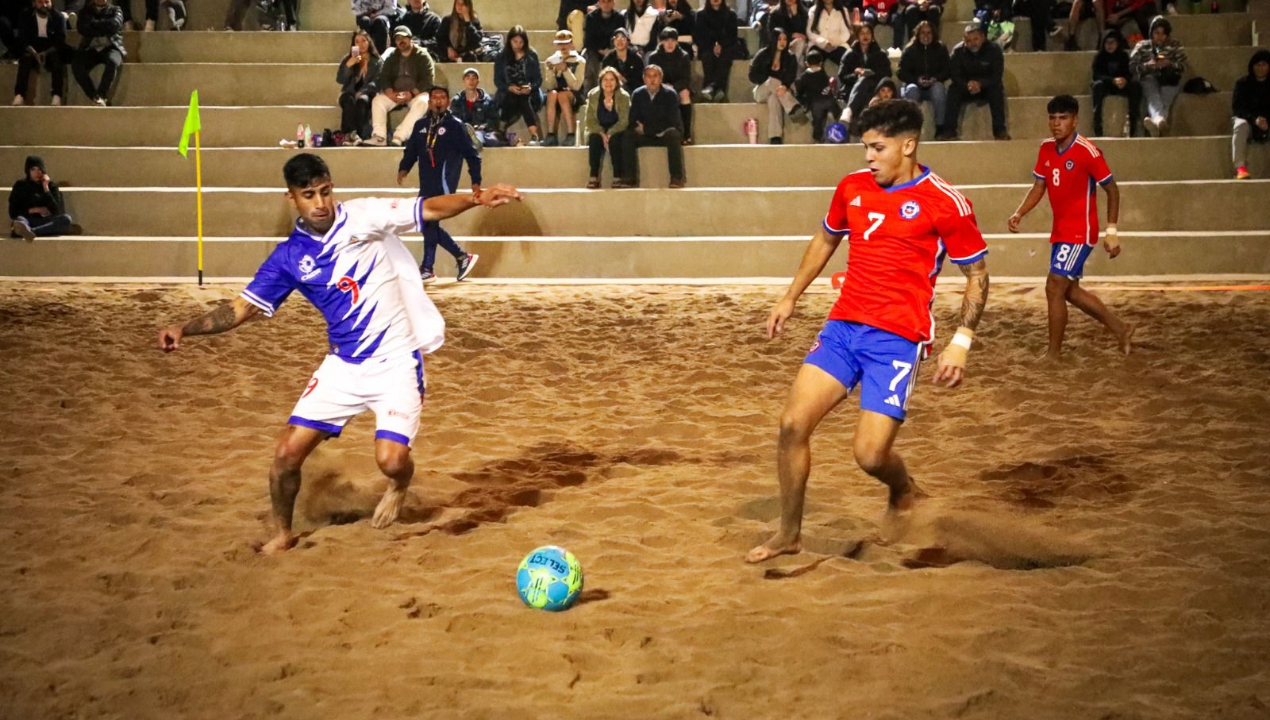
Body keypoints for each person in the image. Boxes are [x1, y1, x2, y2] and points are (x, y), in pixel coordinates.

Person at [156, 154, 519, 555]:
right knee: (286, 455)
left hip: (396, 362)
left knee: (392, 462)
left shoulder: (363, 217)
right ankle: (283, 533)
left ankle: (399, 486)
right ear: (291, 198)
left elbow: (428, 208)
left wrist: (477, 198)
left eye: (325, 191)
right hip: (343, 368)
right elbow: (241, 308)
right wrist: (183, 328)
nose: (320, 203)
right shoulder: (288, 258)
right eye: (308, 195)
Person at [746, 98, 990, 564]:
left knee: (870, 456)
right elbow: (826, 239)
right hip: (843, 327)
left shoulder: (945, 201)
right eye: (865, 148)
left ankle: (904, 490)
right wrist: (790, 296)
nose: (868, 157)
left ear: (908, 145)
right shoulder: (852, 188)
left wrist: (961, 343)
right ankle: (788, 534)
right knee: (792, 425)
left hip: (896, 339)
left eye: (877, 148)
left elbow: (978, 275)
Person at [1008, 95, 1132, 359]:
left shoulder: (1088, 151)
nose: (1056, 123)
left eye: (1063, 118)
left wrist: (1111, 231)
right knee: (1070, 291)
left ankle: (1053, 354)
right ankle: (1121, 329)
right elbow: (1039, 186)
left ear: (1075, 120)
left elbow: (1112, 189)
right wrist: (1021, 212)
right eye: (1052, 118)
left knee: (1054, 286)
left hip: (1080, 230)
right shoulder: (1046, 149)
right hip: (1061, 230)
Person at [398, 84, 482, 283]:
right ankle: (459, 257)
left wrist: (475, 181)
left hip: (444, 181)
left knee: (428, 220)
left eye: (442, 97)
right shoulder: (420, 126)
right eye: (434, 97)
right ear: (429, 102)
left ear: (448, 101)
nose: (438, 100)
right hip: (426, 181)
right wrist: (404, 167)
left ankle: (429, 267)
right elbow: (411, 151)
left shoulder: (455, 126)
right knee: (426, 221)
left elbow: (472, 155)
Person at [939, 21, 1008, 141]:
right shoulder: (957, 51)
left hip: (986, 87)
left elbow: (996, 75)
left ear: (983, 37)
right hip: (965, 87)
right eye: (969, 41)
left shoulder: (994, 50)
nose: (972, 43)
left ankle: (999, 131)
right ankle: (949, 131)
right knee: (953, 90)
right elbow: (954, 75)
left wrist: (980, 84)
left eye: (975, 39)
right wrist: (967, 85)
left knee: (997, 90)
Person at [367, 26, 435, 146]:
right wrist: (390, 93)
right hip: (395, 93)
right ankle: (379, 137)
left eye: (404, 38)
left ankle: (399, 136)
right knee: (378, 101)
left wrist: (412, 93)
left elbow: (428, 79)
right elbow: (384, 77)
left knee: (424, 102)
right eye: (398, 38)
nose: (401, 41)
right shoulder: (392, 56)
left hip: (415, 94)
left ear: (410, 39)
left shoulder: (422, 56)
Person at [623, 64, 687, 187]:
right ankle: (629, 178)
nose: (652, 79)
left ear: (661, 78)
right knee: (628, 136)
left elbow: (671, 121)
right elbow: (633, 120)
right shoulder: (637, 94)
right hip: (647, 135)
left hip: (663, 135)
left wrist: (647, 128)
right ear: (644, 79)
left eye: (655, 76)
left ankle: (676, 178)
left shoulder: (670, 94)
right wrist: (649, 129)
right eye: (649, 76)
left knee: (673, 135)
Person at [1130, 16, 1185, 137]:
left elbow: (1182, 65)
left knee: (1166, 95)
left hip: (1169, 79)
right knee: (1152, 93)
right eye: (1157, 33)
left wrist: (1169, 64)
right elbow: (1131, 67)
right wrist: (1147, 66)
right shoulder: (1142, 46)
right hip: (1149, 77)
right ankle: (1160, 120)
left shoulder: (1175, 45)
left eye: (1163, 33)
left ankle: (1157, 122)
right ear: (1151, 33)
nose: (1160, 36)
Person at [492, 25, 544, 145]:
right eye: (515, 41)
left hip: (529, 92)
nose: (518, 45)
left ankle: (501, 129)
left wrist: (530, 87)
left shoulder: (531, 55)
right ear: (509, 40)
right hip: (508, 91)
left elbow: (538, 78)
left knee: (523, 99)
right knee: (512, 97)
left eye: (521, 42)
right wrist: (509, 87)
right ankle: (534, 134)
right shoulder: (501, 56)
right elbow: (498, 80)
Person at [9, 155, 82, 241]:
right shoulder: (20, 185)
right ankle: (24, 230)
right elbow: (13, 212)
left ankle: (28, 232)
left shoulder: (51, 186)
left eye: (39, 169)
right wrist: (34, 210)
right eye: (33, 169)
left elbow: (58, 211)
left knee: (66, 219)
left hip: (46, 222)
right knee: (19, 220)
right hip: (27, 220)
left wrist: (46, 188)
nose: (37, 173)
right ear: (28, 171)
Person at [749, 26, 801, 144]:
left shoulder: (790, 57)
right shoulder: (762, 54)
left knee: (773, 99)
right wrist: (768, 80)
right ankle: (793, 106)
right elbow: (752, 76)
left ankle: (775, 137)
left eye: (785, 39)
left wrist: (785, 86)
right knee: (772, 81)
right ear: (773, 40)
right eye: (779, 39)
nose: (783, 42)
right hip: (761, 91)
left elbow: (791, 75)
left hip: (779, 93)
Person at [837, 23, 891, 133]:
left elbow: (887, 73)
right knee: (862, 82)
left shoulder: (880, 54)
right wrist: (856, 74)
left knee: (866, 82)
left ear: (872, 35)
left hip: (873, 87)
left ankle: (849, 112)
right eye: (862, 33)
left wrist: (872, 73)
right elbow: (842, 76)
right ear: (857, 36)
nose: (865, 36)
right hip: (851, 89)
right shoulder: (849, 54)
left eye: (868, 33)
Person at [12, 0, 68, 107]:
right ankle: (19, 94)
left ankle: (57, 95)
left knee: (57, 60)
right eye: (40, 2)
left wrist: (45, 53)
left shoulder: (58, 17)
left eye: (47, 2)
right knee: (25, 59)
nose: (44, 5)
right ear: (34, 3)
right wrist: (34, 52)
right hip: (32, 48)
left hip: (50, 49)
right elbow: (22, 38)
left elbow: (60, 40)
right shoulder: (25, 15)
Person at [583, 66, 631, 187]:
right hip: (598, 129)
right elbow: (589, 120)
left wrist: (610, 133)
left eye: (612, 80)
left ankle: (617, 176)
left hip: (617, 128)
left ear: (616, 82)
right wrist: (601, 133)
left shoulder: (623, 96)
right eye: (605, 79)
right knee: (594, 139)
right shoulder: (593, 95)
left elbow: (624, 120)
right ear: (600, 81)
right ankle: (593, 176)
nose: (608, 83)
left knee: (615, 141)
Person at [898, 20, 949, 135]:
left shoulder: (941, 49)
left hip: (933, 84)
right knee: (911, 90)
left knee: (939, 89)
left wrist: (935, 79)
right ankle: (910, 128)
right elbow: (901, 72)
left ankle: (940, 128)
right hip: (914, 83)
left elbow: (947, 70)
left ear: (933, 34)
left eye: (929, 33)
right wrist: (916, 80)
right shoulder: (909, 50)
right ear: (918, 34)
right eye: (923, 33)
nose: (926, 36)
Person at [71, 0, 124, 107]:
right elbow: (82, 29)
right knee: (77, 65)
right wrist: (104, 27)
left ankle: (102, 95)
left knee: (112, 61)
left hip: (112, 47)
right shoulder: (85, 11)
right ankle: (95, 96)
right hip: (91, 49)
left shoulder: (116, 9)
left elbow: (114, 25)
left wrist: (93, 24)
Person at [646, 26, 694, 143]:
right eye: (666, 40)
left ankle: (686, 134)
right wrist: (663, 86)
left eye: (672, 40)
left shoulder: (684, 56)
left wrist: (673, 87)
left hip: (678, 87)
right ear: (662, 42)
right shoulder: (654, 57)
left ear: (677, 41)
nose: (670, 43)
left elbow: (685, 78)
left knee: (685, 94)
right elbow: (651, 76)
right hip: (659, 87)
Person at [1091, 28, 1141, 137]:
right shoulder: (1100, 57)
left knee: (1135, 86)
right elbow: (1096, 75)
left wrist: (1125, 80)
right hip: (1107, 85)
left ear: (1117, 43)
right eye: (1107, 42)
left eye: (1112, 42)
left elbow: (1129, 72)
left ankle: (1133, 123)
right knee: (1097, 86)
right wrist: (1112, 80)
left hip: (1121, 85)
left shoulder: (1123, 56)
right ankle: (1097, 123)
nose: (1109, 45)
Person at [336, 30, 383, 144]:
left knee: (362, 101)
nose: (361, 44)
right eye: (357, 41)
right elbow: (340, 80)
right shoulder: (348, 59)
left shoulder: (377, 61)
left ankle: (360, 134)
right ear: (353, 44)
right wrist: (349, 65)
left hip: (368, 93)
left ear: (369, 42)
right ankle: (349, 134)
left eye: (364, 41)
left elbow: (378, 82)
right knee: (348, 100)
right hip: (349, 92)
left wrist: (363, 91)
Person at [542, 29, 587, 146]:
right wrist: (551, 71)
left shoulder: (580, 61)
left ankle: (571, 134)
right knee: (552, 94)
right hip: (558, 91)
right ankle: (551, 134)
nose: (563, 46)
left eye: (566, 43)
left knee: (562, 95)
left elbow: (576, 85)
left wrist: (565, 70)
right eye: (560, 43)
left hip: (575, 93)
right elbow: (550, 86)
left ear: (571, 43)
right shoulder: (552, 60)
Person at [1232, 49, 1269, 180]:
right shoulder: (1242, 84)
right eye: (1257, 65)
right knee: (1240, 125)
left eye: (1264, 64)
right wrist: (1254, 120)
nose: (1260, 68)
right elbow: (1238, 108)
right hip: (1248, 119)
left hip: (1267, 120)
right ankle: (1240, 168)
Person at [795, 47, 841, 142]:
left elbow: (800, 91)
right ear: (821, 63)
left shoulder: (804, 76)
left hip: (815, 103)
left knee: (817, 121)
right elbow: (828, 84)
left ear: (806, 64)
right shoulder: (823, 73)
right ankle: (840, 122)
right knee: (836, 111)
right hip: (828, 99)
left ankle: (818, 137)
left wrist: (801, 100)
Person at [696, 0, 738, 102]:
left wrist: (721, 45)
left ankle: (712, 89)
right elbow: (699, 36)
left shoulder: (731, 14)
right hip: (707, 47)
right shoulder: (701, 14)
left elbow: (733, 36)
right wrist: (713, 46)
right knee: (708, 56)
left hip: (726, 47)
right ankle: (716, 89)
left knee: (725, 56)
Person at [583, 0, 625, 92]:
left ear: (613, 3)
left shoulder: (619, 18)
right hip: (595, 51)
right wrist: (601, 50)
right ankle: (590, 93)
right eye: (603, 1)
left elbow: (621, 36)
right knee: (590, 60)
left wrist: (612, 50)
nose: (606, 4)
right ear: (599, 3)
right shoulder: (591, 17)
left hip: (614, 50)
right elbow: (588, 40)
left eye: (609, 1)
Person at [450, 66, 498, 143]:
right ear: (463, 81)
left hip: (482, 133)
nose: (471, 81)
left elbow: (493, 120)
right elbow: (453, 120)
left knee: (480, 137)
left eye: (474, 78)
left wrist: (483, 126)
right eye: (468, 78)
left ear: (478, 81)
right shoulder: (457, 101)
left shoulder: (488, 100)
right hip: (462, 132)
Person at [807, 0, 852, 67]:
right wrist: (824, 43)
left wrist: (832, 43)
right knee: (813, 58)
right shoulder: (813, 10)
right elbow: (809, 32)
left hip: (837, 45)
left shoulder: (843, 10)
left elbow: (846, 33)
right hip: (818, 45)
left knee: (849, 58)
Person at [603, 26, 646, 94]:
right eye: (616, 37)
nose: (619, 40)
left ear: (628, 41)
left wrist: (624, 80)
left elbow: (640, 80)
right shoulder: (608, 59)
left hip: (633, 91)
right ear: (613, 41)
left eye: (623, 37)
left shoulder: (636, 58)